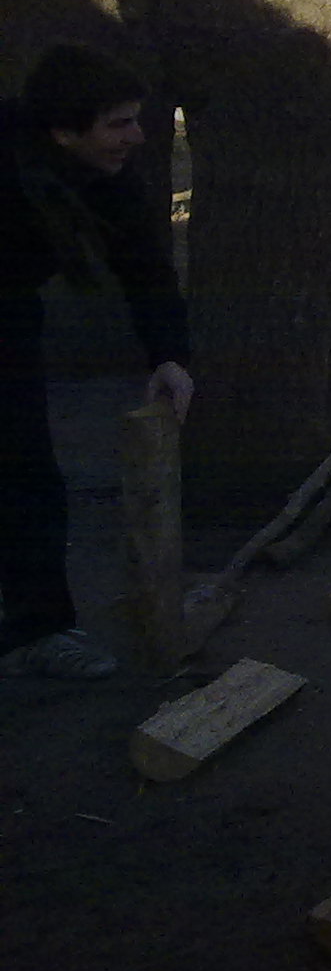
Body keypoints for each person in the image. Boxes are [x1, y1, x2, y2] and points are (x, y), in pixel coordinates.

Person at [1, 44, 193, 680]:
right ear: (63, 129)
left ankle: (38, 634)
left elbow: (144, 264)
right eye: (118, 123)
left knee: (26, 476)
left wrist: (169, 355)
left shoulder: (107, 176)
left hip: (9, 317)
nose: (137, 136)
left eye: (136, 119)